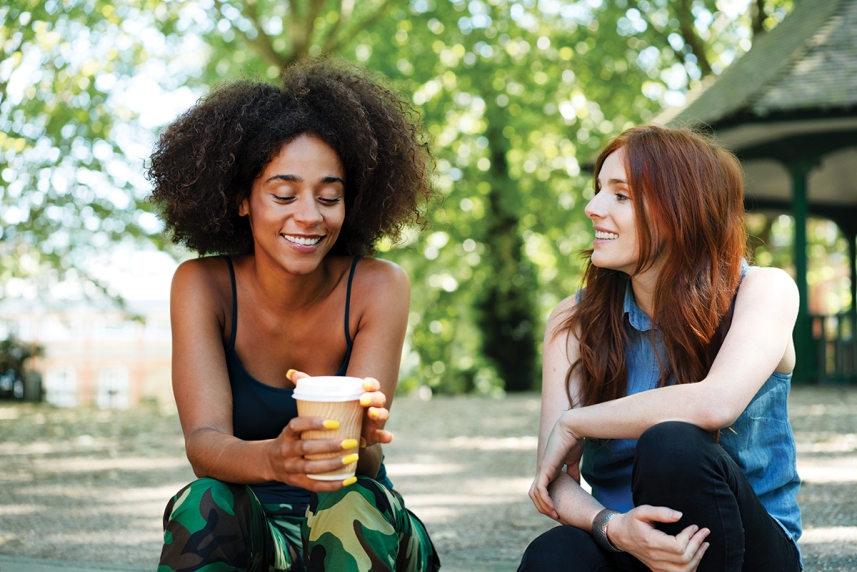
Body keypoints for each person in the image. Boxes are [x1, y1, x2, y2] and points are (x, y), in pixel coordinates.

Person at [147, 59, 440, 572]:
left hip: (362, 531)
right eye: (284, 194)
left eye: (329, 197)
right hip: (261, 537)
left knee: (348, 503)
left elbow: (367, 463)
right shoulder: (202, 285)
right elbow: (204, 444)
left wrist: (360, 442)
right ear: (242, 199)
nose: (309, 215)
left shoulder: (378, 286)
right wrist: (273, 459)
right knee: (203, 502)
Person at [519, 125, 802, 572]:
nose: (593, 208)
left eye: (621, 196)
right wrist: (614, 527)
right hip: (633, 545)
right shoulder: (572, 320)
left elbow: (715, 403)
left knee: (672, 444)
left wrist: (575, 422)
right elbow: (553, 479)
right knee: (552, 556)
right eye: (598, 191)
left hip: (747, 552)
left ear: (680, 210)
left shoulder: (765, 291)